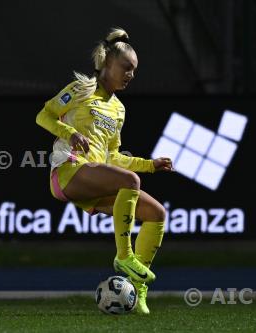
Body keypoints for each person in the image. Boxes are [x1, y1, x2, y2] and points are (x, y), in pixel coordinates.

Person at [36, 28, 173, 315]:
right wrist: (70, 132)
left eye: (134, 70)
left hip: (94, 178)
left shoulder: (119, 109)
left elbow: (113, 157)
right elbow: (43, 115)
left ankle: (138, 288)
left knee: (156, 214)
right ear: (108, 64)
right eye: (126, 67)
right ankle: (124, 257)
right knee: (130, 182)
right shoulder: (80, 89)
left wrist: (150, 165)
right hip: (68, 172)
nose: (130, 75)